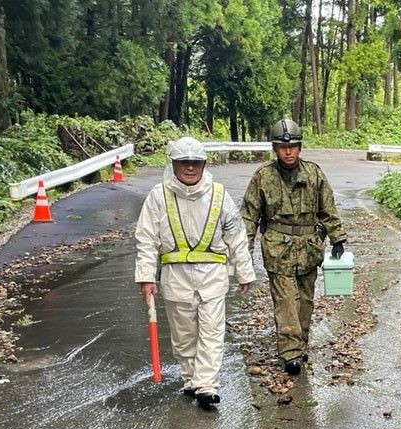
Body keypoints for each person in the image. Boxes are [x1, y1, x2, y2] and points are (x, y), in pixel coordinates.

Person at [135, 136, 255, 410]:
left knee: (212, 333)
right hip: (176, 278)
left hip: (212, 275)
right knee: (184, 336)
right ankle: (190, 379)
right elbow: (146, 238)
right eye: (184, 163)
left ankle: (207, 385)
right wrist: (145, 277)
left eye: (196, 163)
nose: (190, 168)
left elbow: (236, 235)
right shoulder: (159, 196)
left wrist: (244, 271)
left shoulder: (218, 194)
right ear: (174, 164)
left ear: (204, 165)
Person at [240, 119, 347, 375]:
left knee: (305, 302)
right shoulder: (263, 177)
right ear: (275, 148)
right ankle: (290, 354)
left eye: (293, 147)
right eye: (281, 147)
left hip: (309, 248)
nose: (288, 152)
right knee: (286, 301)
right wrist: (243, 249)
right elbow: (249, 215)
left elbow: (327, 209)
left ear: (299, 147)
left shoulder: (314, 174)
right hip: (278, 249)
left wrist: (337, 238)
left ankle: (300, 344)